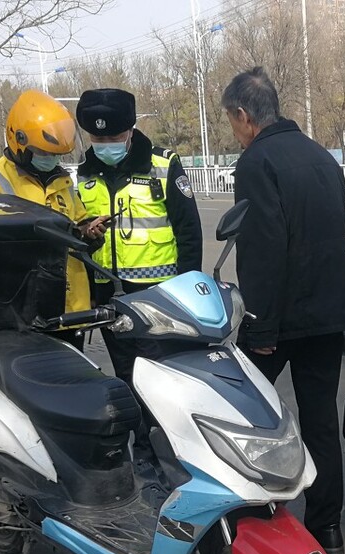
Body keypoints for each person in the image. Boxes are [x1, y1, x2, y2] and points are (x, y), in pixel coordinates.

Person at [221, 67, 345, 554]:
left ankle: (257, 518)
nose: (235, 131)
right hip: (328, 314)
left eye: (232, 121)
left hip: (281, 317)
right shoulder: (321, 156)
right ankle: (327, 529)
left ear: (244, 115)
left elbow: (262, 251)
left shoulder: (256, 162)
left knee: (249, 416)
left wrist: (260, 327)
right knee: (319, 420)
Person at [74, 88, 204, 385]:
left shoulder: (163, 164)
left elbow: (189, 232)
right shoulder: (85, 172)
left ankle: (161, 432)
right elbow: (79, 233)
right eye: (98, 140)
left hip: (159, 294)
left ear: (131, 130)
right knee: (126, 374)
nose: (105, 146)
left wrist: (188, 290)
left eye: (114, 138)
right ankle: (140, 432)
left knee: (161, 376)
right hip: (109, 295)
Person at [0, 89, 98, 349]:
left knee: (72, 380)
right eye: (44, 153)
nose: (50, 160)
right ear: (18, 140)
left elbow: (78, 221)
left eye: (56, 155)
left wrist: (89, 231)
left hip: (69, 309)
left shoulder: (62, 180)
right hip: (24, 312)